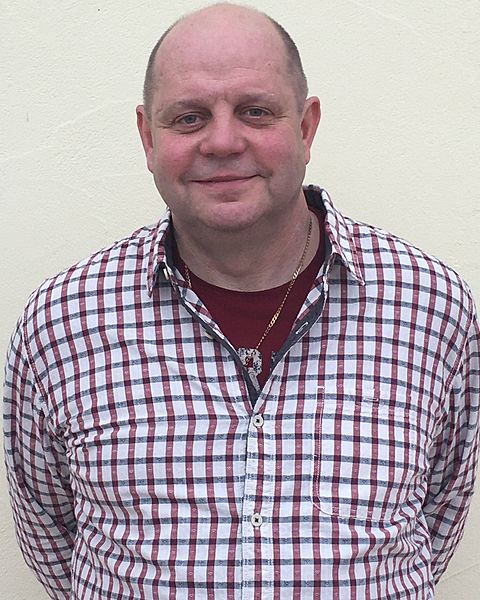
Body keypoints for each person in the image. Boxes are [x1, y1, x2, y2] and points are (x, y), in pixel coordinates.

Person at [3, 3, 479, 599]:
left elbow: (438, 513)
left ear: (306, 127)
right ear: (148, 138)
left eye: (255, 111)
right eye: (189, 118)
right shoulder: (61, 323)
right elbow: (51, 536)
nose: (223, 142)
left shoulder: (432, 308)